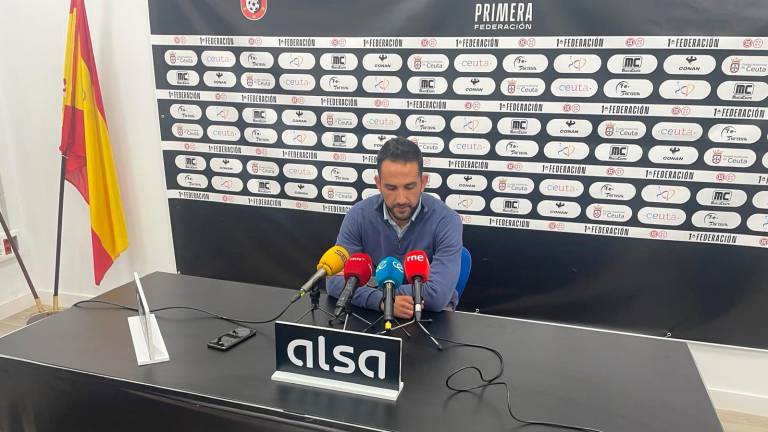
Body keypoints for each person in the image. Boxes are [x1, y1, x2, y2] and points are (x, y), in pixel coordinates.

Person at [326, 137, 463, 319]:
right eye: (391, 188)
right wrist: (382, 302)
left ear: (423, 182)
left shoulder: (447, 220)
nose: (401, 199)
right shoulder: (358, 215)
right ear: (378, 183)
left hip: (430, 316)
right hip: (374, 312)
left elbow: (438, 295)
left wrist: (374, 289)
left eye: (409, 187)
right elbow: (335, 283)